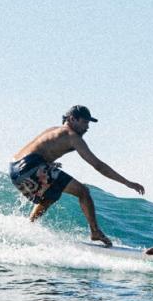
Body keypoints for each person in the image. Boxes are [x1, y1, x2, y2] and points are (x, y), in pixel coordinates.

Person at [10, 105, 145, 246]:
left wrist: (47, 164)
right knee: (83, 191)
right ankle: (95, 231)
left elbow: (37, 150)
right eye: (84, 122)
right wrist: (127, 183)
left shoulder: (52, 130)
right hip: (31, 166)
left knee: (52, 194)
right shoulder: (72, 136)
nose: (87, 127)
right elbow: (98, 165)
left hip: (15, 168)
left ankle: (29, 226)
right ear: (72, 119)